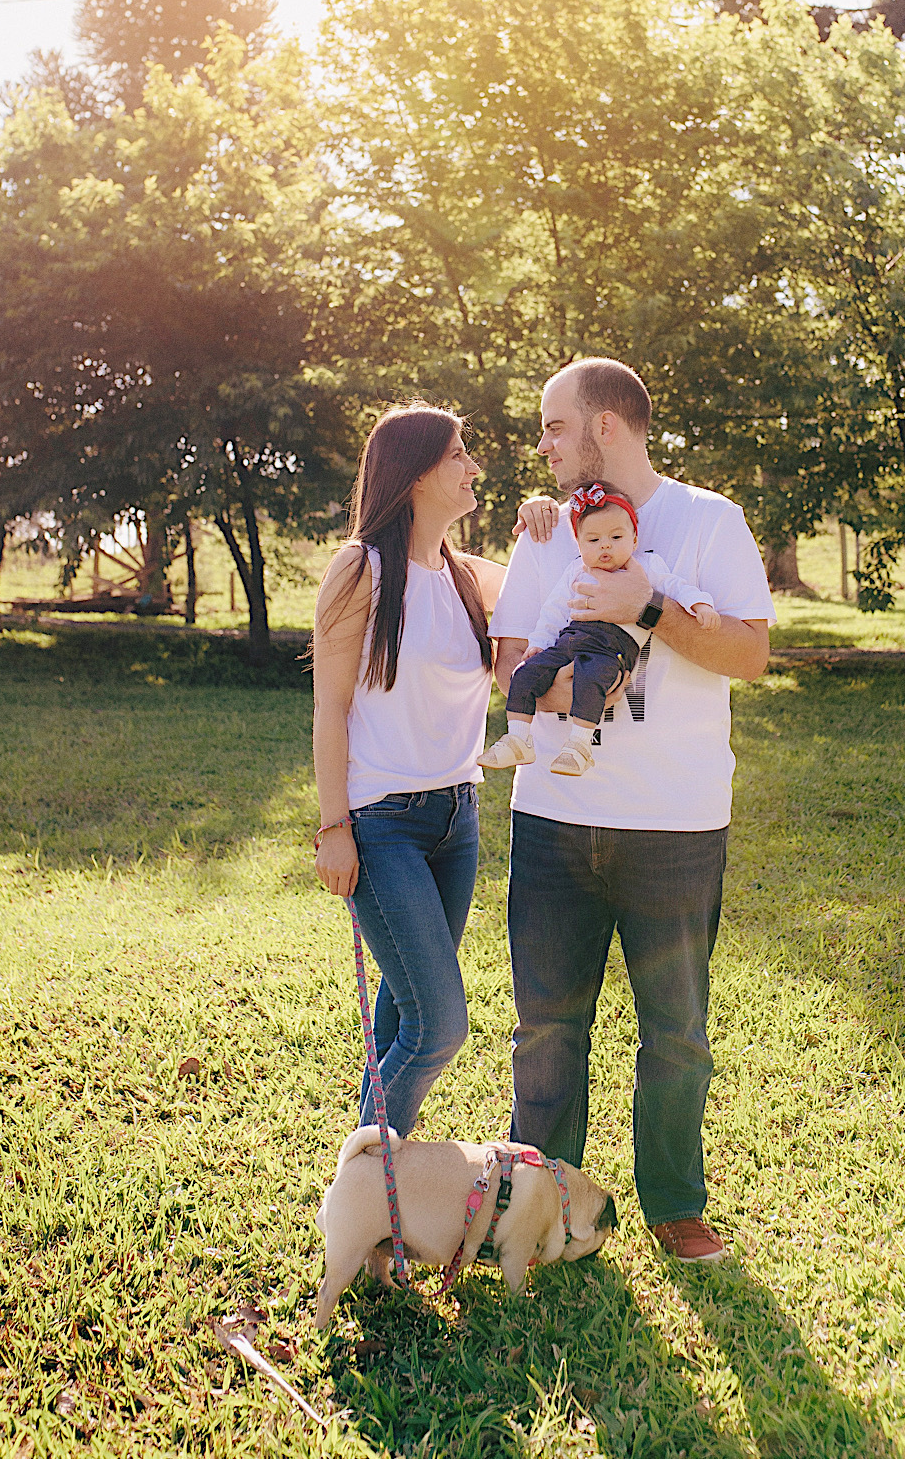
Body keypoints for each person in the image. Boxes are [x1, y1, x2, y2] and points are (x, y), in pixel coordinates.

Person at [490, 357, 775, 1262]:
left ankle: (675, 1206)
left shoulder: (709, 521)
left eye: (554, 426)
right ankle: (541, 1203)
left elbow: (750, 655)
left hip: (677, 825)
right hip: (553, 819)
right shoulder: (546, 533)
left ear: (604, 427)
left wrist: (647, 605)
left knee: (676, 1031)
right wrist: (575, 688)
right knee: (546, 1027)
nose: (544, 445)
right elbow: (509, 662)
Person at [311, 402, 504, 1136]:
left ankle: (377, 1190)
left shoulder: (468, 577)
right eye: (458, 455)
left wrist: (550, 517)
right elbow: (331, 707)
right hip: (382, 823)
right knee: (439, 1025)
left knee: (401, 1015)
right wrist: (334, 827)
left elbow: (566, 571)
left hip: (457, 819)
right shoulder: (361, 569)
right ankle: (366, 1178)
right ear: (417, 473)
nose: (473, 467)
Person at [479, 480, 718, 777]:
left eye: (616, 537)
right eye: (593, 540)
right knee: (525, 672)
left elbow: (676, 586)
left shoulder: (646, 565)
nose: (605, 545)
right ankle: (518, 738)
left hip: (613, 647)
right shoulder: (576, 570)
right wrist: (538, 643)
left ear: (634, 539)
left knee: (591, 678)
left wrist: (700, 604)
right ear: (579, 544)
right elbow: (554, 610)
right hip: (570, 640)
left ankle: (579, 746)